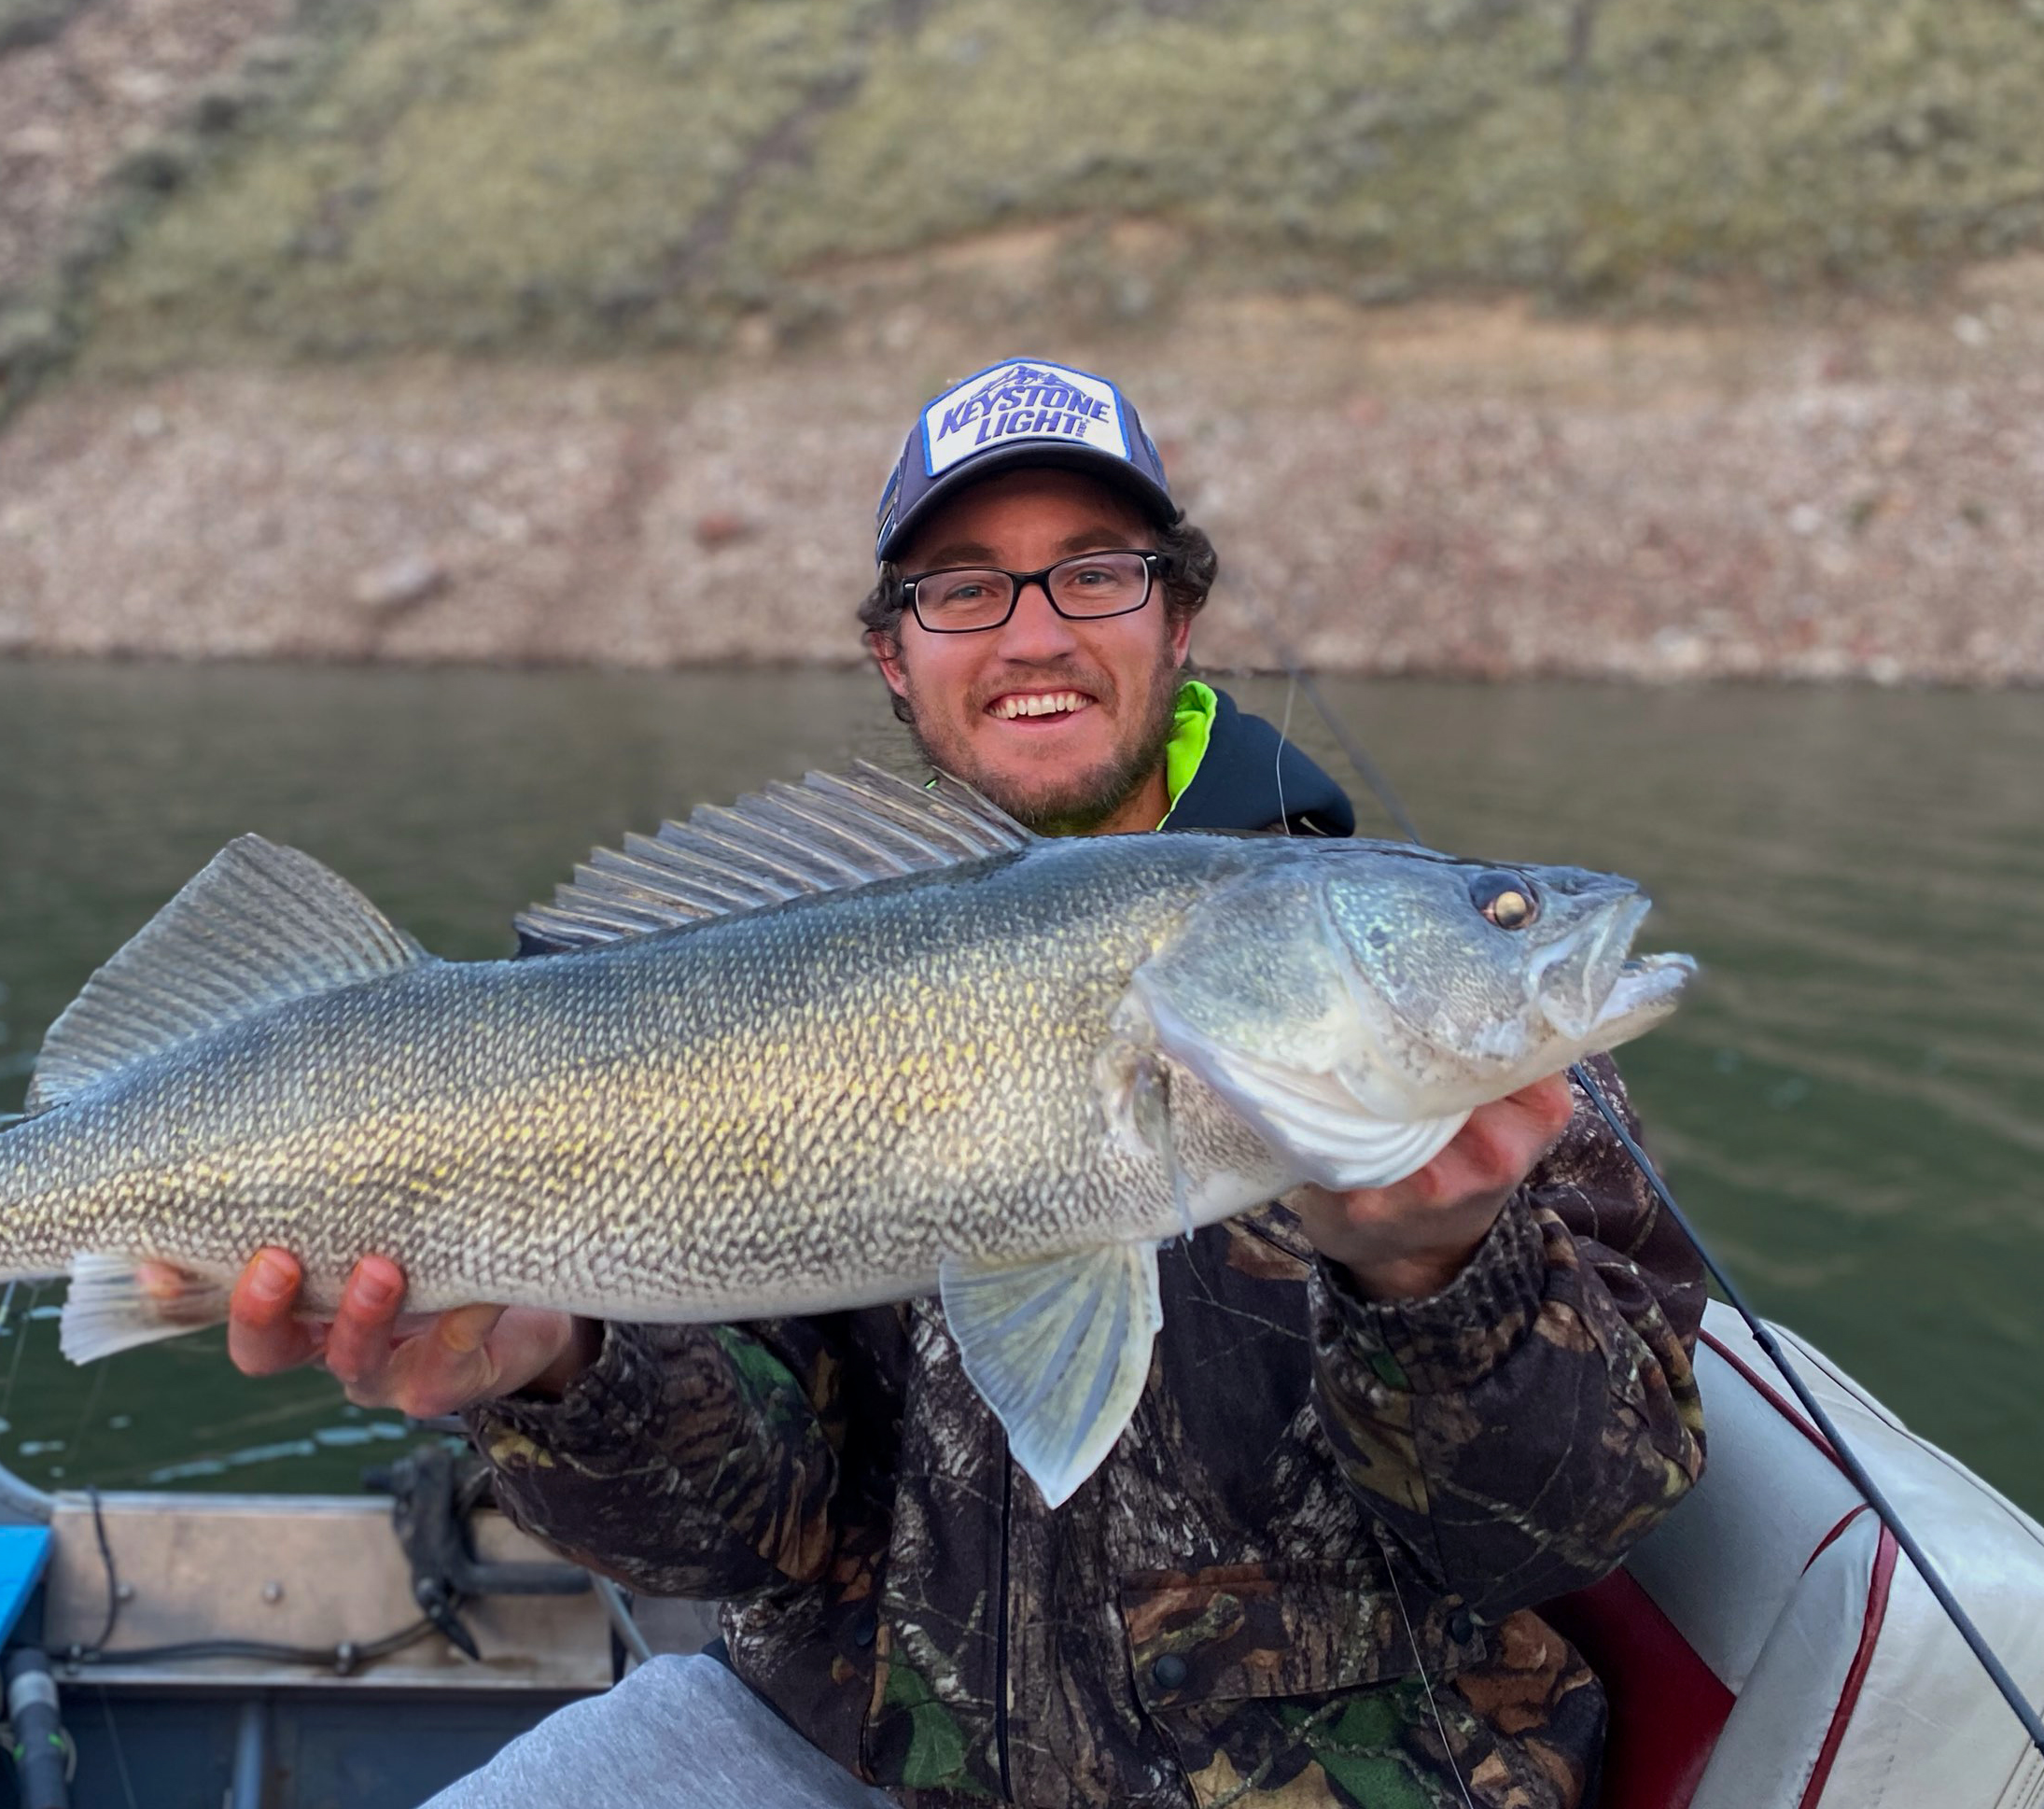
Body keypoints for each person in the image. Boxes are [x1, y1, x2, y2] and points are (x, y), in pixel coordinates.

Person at [157, 358, 1709, 1807]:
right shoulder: (772, 966)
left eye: (1095, 570)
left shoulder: (1483, 1079)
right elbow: (731, 1530)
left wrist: (1440, 1277)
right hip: (850, 1747)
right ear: (893, 656)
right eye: (964, 588)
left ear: (1179, 621)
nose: (1034, 632)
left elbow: (1573, 1526)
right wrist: (554, 1364)